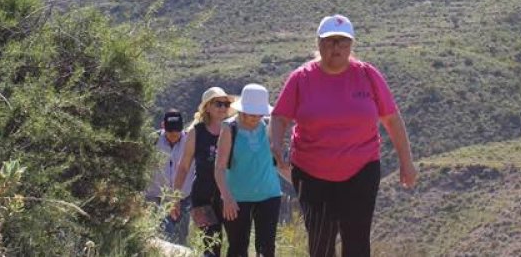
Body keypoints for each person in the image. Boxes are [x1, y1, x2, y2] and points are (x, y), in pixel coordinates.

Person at [270, 14, 418, 257]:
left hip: (361, 170)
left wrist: (406, 162)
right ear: (319, 43)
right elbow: (280, 117)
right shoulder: (301, 78)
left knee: (357, 241)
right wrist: (276, 143)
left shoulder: (368, 76)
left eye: (342, 41)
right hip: (311, 173)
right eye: (330, 41)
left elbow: (392, 119)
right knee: (320, 241)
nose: (336, 47)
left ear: (351, 45)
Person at [215, 83, 283, 257]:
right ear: (242, 110)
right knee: (237, 248)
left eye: (259, 113)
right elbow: (220, 168)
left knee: (266, 248)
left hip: (269, 194)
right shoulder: (229, 128)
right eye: (252, 113)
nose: (255, 117)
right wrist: (227, 197)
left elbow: (279, 162)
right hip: (237, 199)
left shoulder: (268, 125)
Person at [173, 87, 235, 257]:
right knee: (210, 247)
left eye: (226, 104)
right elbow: (183, 166)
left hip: (229, 196)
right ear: (207, 107)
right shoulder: (196, 132)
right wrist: (175, 197)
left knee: (237, 244)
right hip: (202, 198)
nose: (223, 107)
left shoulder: (233, 129)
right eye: (218, 104)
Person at [146, 109, 194, 245]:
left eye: (177, 131)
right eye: (170, 131)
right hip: (155, 198)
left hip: (183, 198)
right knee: (159, 237)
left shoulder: (190, 141)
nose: (174, 134)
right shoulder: (152, 140)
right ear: (163, 126)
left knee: (180, 239)